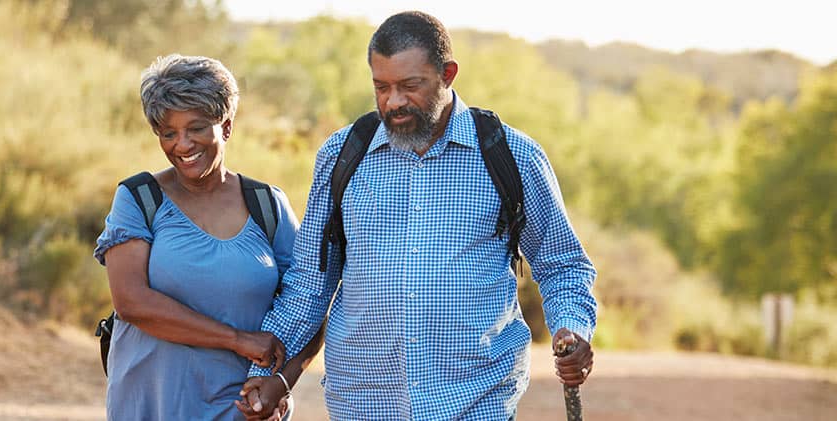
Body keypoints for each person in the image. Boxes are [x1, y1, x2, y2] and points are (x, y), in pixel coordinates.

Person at [240, 11, 598, 420]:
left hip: (475, 399)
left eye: (410, 86)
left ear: (448, 74)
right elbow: (309, 283)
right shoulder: (342, 155)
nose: (393, 101)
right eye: (381, 87)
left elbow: (563, 265)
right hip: (363, 399)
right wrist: (270, 375)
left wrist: (572, 328)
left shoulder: (511, 155)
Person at [95, 54, 312, 420]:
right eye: (168, 132)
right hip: (152, 406)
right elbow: (131, 301)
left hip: (240, 410)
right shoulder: (139, 198)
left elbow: (309, 302)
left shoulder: (266, 205)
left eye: (195, 128)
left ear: (226, 127)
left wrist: (282, 385)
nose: (182, 145)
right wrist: (236, 339)